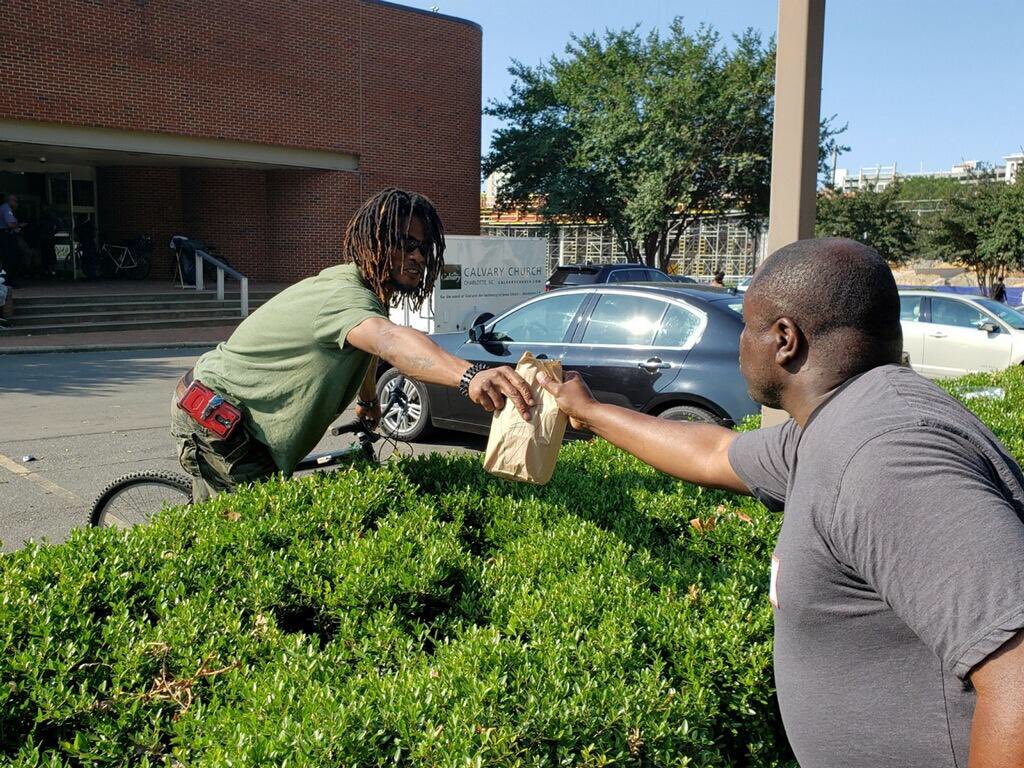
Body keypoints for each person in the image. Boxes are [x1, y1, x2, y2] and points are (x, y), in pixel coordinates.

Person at [538, 238, 1024, 768]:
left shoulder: (885, 456)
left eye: (748, 326)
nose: (742, 341)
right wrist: (589, 412)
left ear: (784, 339)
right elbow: (716, 452)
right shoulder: (838, 424)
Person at [171, 188, 535, 501]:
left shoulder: (365, 295)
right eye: (406, 244)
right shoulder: (345, 298)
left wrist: (368, 400)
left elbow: (366, 347)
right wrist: (469, 375)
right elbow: (388, 340)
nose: (419, 257)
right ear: (373, 243)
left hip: (233, 417)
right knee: (247, 537)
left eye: (424, 248)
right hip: (217, 416)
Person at [0, 194, 22, 287]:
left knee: (7, 258)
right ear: (10, 201)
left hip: (4, 234)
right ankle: (8, 281)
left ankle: (7, 280)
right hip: (5, 235)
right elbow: (11, 224)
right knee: (10, 258)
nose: (17, 204)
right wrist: (16, 223)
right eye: (15, 201)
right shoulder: (6, 208)